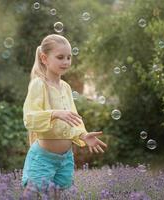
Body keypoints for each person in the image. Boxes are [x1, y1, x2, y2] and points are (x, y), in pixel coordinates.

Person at [21, 34, 107, 198]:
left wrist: (83, 135)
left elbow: (73, 119)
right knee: (30, 195)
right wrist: (55, 113)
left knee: (56, 196)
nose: (66, 62)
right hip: (43, 158)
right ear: (44, 58)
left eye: (69, 57)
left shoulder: (66, 87)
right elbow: (29, 117)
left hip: (65, 159)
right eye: (60, 57)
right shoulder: (39, 84)